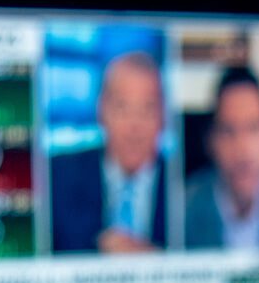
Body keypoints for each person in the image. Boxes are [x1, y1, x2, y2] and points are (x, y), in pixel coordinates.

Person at [49, 51, 169, 253]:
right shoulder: (57, 177)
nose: (134, 126)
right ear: (101, 111)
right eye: (122, 108)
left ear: (163, 117)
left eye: (147, 109)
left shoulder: (184, 185)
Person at [183, 65, 259, 249]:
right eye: (228, 131)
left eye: (254, 128)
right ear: (210, 142)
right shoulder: (182, 209)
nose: (242, 149)